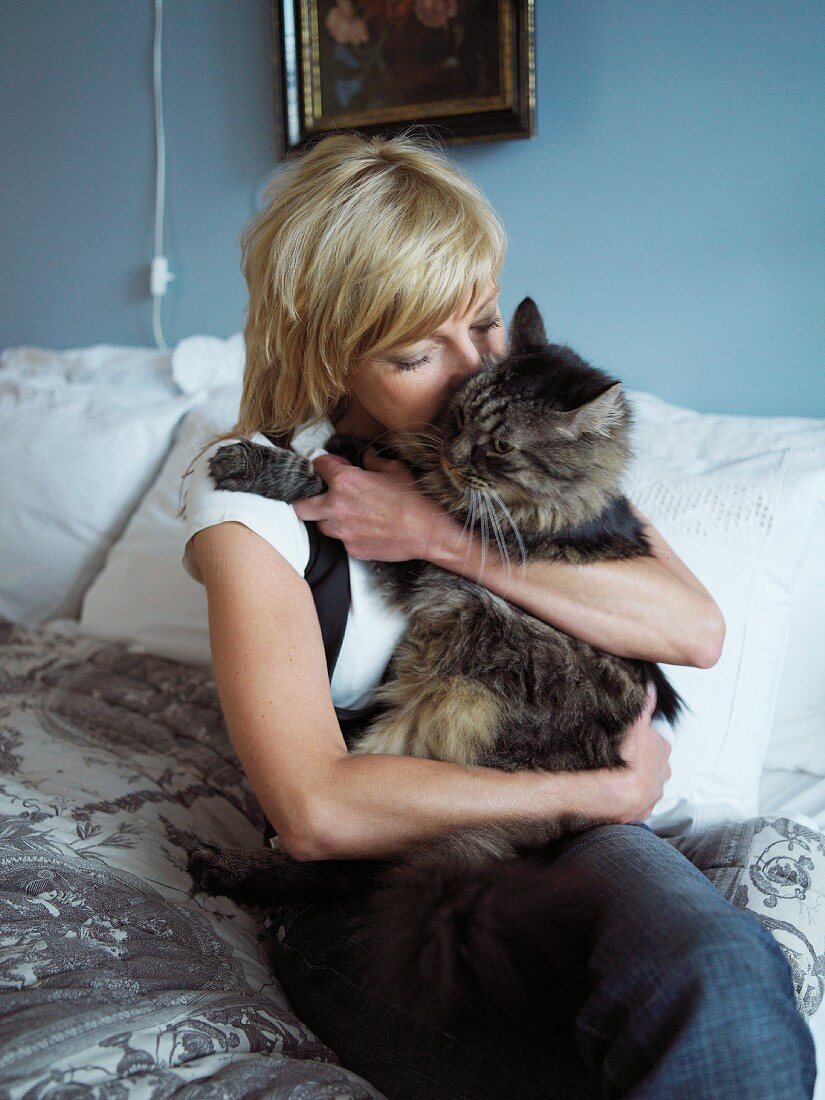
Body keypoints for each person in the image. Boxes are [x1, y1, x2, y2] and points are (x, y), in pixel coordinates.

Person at [180, 131, 816, 1098]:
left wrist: (440, 534)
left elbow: (693, 629)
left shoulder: (513, 432)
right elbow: (312, 812)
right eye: (413, 350)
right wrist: (598, 796)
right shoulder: (249, 503)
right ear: (327, 346)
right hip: (379, 876)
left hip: (581, 841)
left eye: (479, 323)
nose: (469, 370)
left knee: (722, 978)